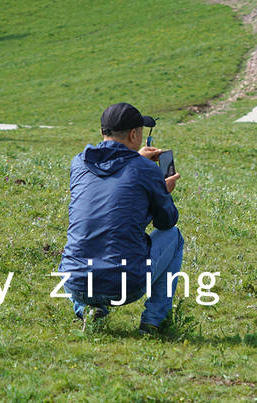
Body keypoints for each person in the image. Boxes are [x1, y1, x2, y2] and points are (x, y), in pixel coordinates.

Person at [59, 102, 184, 333]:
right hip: (126, 285)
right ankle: (153, 322)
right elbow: (166, 221)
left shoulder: (79, 163)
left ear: (102, 132)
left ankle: (88, 309)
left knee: (80, 243)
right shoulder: (146, 170)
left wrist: (137, 161)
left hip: (75, 282)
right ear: (135, 134)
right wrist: (160, 188)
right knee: (174, 237)